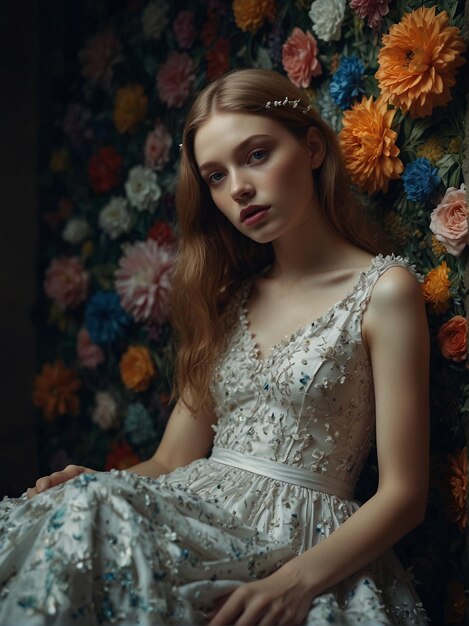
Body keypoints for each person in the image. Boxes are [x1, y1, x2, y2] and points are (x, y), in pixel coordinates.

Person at [0, 68, 429, 626]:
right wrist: (97, 481)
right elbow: (173, 459)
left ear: (314, 147)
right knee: (72, 508)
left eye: (256, 155)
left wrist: (293, 583)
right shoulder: (229, 302)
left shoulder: (385, 291)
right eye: (215, 177)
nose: (239, 190)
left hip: (299, 546)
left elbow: (405, 495)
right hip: (197, 518)